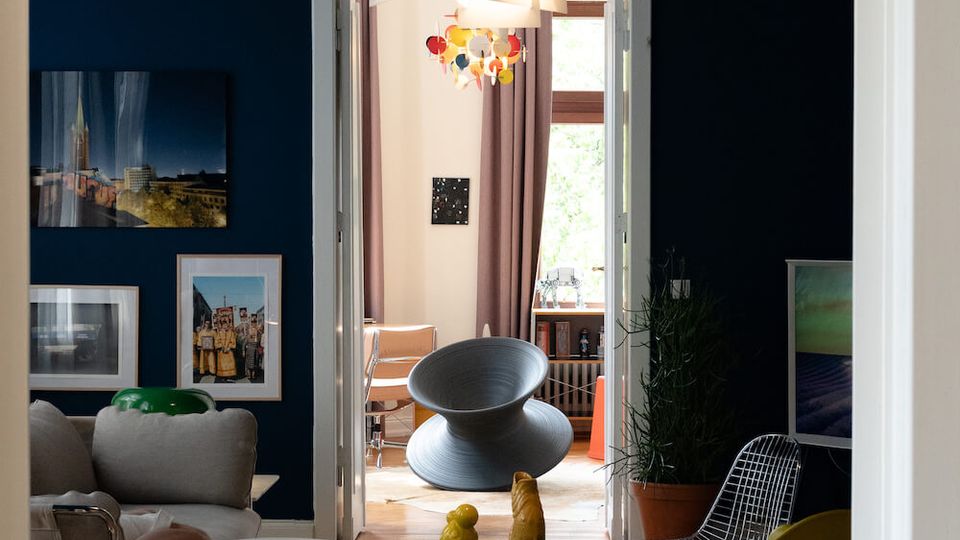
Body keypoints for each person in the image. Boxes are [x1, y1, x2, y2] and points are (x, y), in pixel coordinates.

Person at [244, 314, 261, 382]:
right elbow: (245, 342)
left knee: (255, 363)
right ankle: (249, 374)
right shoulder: (248, 333)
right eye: (252, 323)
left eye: (255, 323)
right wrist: (243, 350)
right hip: (249, 350)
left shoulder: (258, 333)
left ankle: (253, 375)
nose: (254, 324)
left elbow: (259, 342)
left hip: (256, 350)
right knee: (249, 363)